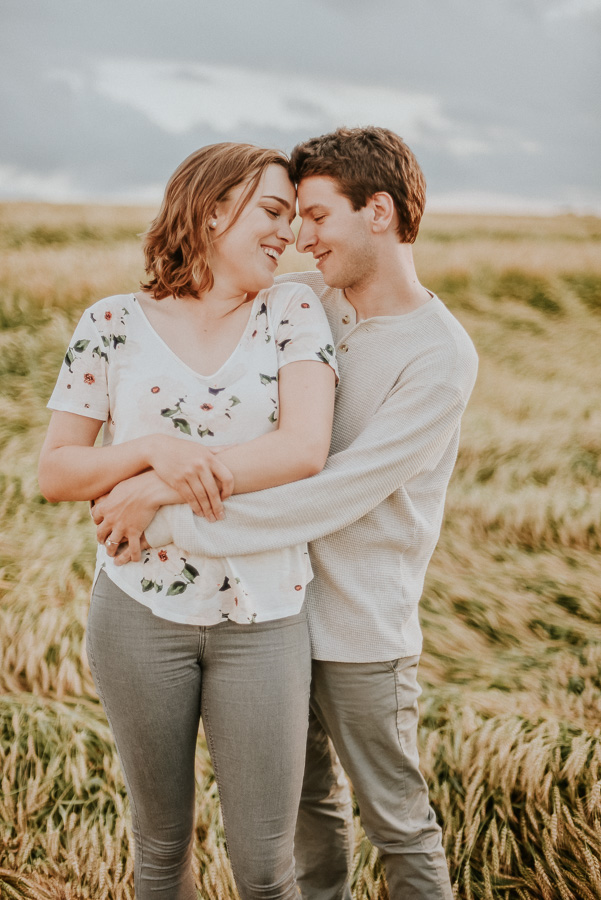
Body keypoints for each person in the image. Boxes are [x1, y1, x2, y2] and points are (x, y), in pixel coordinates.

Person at [93, 126, 479, 899]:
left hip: (362, 625)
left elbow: (328, 487)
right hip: (273, 610)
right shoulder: (301, 302)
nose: (298, 238)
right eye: (290, 217)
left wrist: (166, 512)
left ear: (379, 212)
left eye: (315, 217)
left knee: (397, 822)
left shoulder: (439, 356)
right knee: (305, 815)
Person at [38, 142, 338, 900]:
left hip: (265, 613)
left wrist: (156, 492)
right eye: (272, 212)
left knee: (266, 867)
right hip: (137, 614)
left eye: (296, 218)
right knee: (161, 848)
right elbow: (57, 472)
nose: (290, 234)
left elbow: (303, 449)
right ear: (210, 211)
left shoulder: (291, 308)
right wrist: (150, 452)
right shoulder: (110, 323)